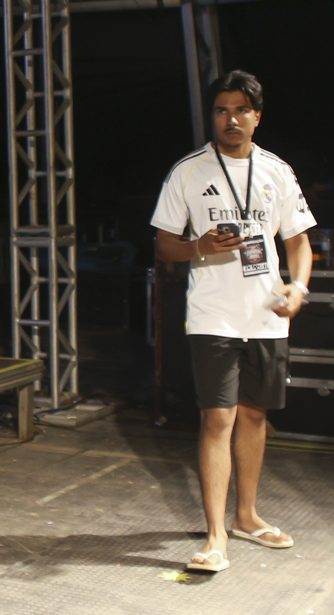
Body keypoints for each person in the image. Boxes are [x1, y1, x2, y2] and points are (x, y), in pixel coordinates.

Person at [151, 70, 314, 573]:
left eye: (241, 109)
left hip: (266, 316)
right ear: (213, 116)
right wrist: (199, 246)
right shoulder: (188, 171)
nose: (231, 118)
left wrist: (298, 287)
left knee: (255, 416)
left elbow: (298, 243)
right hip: (213, 315)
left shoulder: (277, 172)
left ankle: (246, 516)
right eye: (222, 110)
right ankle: (216, 536)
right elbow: (164, 245)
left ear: (256, 117)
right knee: (217, 418)